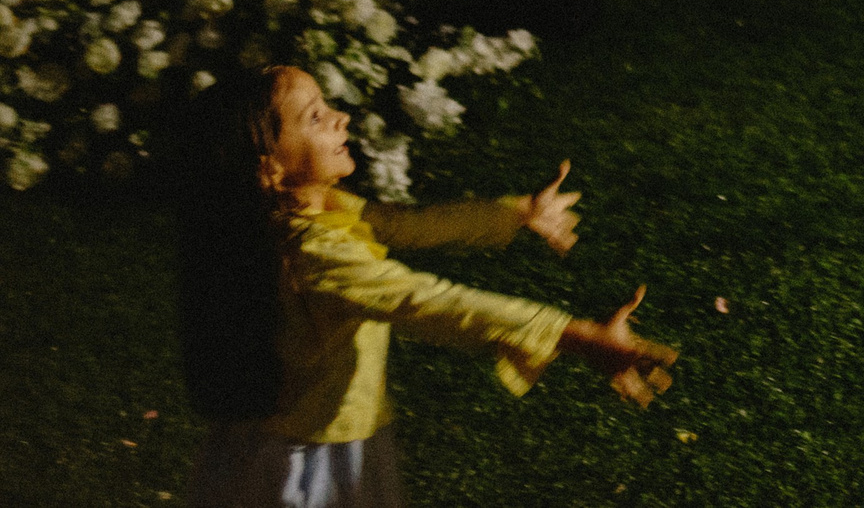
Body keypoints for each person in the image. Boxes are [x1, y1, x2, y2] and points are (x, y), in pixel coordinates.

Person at [170, 65, 680, 508]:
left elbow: (412, 226)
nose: (339, 117)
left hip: (341, 436)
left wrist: (514, 213)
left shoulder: (322, 209)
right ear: (270, 171)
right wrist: (574, 334)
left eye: (326, 105)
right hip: (307, 463)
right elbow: (432, 303)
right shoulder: (315, 255)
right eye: (314, 117)